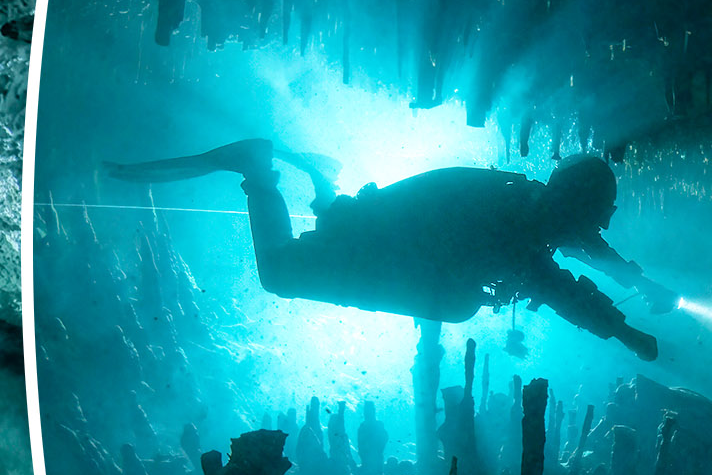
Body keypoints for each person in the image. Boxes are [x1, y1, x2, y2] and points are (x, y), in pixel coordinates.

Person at [107, 140, 676, 360]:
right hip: (379, 244)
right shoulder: (518, 222)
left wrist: (641, 283)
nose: (606, 221)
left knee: (458, 302)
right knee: (280, 273)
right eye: (602, 209)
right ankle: (259, 172)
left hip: (390, 242)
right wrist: (624, 333)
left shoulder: (534, 205)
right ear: (576, 203)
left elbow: (585, 248)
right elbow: (560, 288)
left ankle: (322, 193)